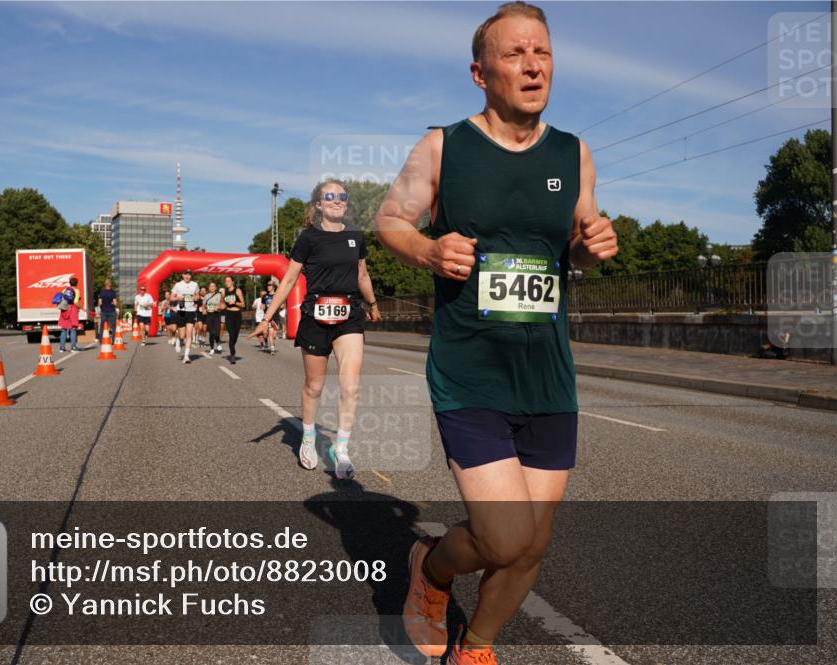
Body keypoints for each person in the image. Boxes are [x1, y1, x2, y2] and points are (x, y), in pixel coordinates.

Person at [374, 4, 619, 662]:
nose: (533, 64)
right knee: (505, 535)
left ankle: (475, 646)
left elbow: (577, 240)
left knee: (532, 541)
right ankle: (429, 568)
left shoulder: (574, 153)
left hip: (548, 374)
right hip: (470, 369)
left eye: (542, 52)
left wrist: (592, 245)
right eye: (515, 54)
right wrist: (427, 250)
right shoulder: (443, 146)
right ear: (480, 73)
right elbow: (390, 219)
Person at [250, 179, 380, 479]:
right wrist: (267, 318)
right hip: (315, 315)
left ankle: (341, 449)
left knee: (351, 386)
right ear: (319, 205)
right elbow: (289, 280)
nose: (337, 200)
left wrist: (372, 303)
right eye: (330, 196)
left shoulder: (355, 236)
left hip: (349, 315)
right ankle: (308, 440)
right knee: (315, 386)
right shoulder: (308, 238)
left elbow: (362, 274)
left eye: (342, 196)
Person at [170, 270, 201, 364]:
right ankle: (179, 340)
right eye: (185, 274)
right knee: (182, 335)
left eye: (189, 274)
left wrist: (196, 298)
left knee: (189, 333)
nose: (187, 276)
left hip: (191, 311)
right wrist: (178, 298)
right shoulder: (178, 285)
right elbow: (171, 298)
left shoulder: (195, 284)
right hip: (181, 311)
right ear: (182, 275)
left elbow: (197, 297)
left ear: (191, 276)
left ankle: (186, 356)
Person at [221, 275, 245, 364]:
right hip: (229, 314)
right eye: (226, 281)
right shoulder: (224, 293)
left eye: (228, 281)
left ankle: (232, 348)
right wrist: (220, 304)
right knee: (231, 335)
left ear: (232, 282)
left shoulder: (237, 291)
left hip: (237, 314)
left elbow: (243, 304)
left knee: (235, 336)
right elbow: (223, 305)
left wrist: (234, 302)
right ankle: (232, 355)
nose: (227, 282)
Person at [57, 276, 82, 352]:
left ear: (70, 283)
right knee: (73, 329)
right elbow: (75, 302)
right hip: (72, 310)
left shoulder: (65, 289)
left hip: (64, 309)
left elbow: (62, 299)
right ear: (77, 284)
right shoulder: (77, 291)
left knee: (64, 329)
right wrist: (81, 307)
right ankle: (73, 347)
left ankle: (62, 347)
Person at [203, 282, 224, 355]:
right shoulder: (206, 296)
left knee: (217, 331)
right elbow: (203, 306)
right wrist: (204, 310)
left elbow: (222, 304)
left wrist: (218, 307)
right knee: (211, 333)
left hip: (217, 315)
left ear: (216, 288)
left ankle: (217, 342)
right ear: (209, 288)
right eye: (210, 286)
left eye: (213, 286)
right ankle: (212, 348)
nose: (212, 288)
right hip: (209, 315)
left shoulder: (219, 295)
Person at [261, 282, 282, 355]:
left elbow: (282, 305)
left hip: (276, 317)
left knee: (274, 335)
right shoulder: (264, 296)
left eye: (270, 285)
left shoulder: (277, 295)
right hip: (268, 317)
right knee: (270, 333)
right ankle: (272, 348)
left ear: (274, 287)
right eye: (268, 285)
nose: (268, 287)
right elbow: (262, 306)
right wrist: (263, 308)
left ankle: (271, 343)